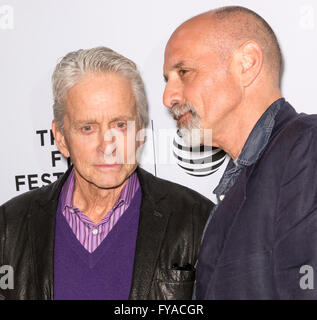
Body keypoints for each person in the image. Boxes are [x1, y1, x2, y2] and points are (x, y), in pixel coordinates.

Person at [0, 47, 212, 300]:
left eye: (120, 125)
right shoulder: (9, 227)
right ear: (61, 138)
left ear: (140, 132)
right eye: (88, 128)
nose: (107, 145)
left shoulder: (197, 220)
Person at [163, 5, 317, 299]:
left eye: (183, 72)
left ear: (247, 63)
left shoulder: (306, 147)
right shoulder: (240, 183)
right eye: (168, 79)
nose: (168, 97)